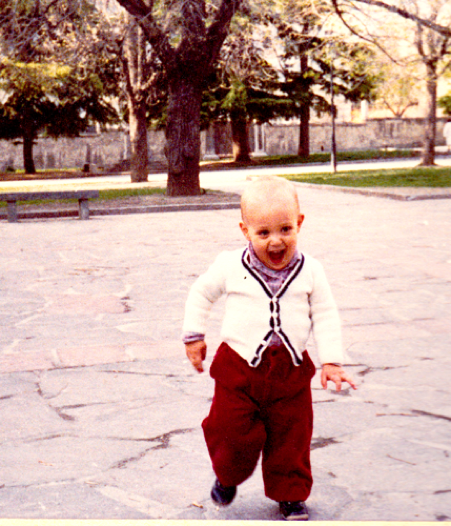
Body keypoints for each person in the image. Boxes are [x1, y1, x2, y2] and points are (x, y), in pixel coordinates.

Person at [182, 176, 356, 521]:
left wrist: (331, 361)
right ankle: (227, 475)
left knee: (292, 435)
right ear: (245, 231)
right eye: (263, 233)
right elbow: (201, 293)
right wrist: (194, 336)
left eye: (285, 229)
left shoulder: (311, 271)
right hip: (239, 370)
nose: (276, 241)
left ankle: (290, 494)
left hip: (290, 372)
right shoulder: (230, 265)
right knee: (230, 431)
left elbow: (325, 314)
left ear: (299, 223)